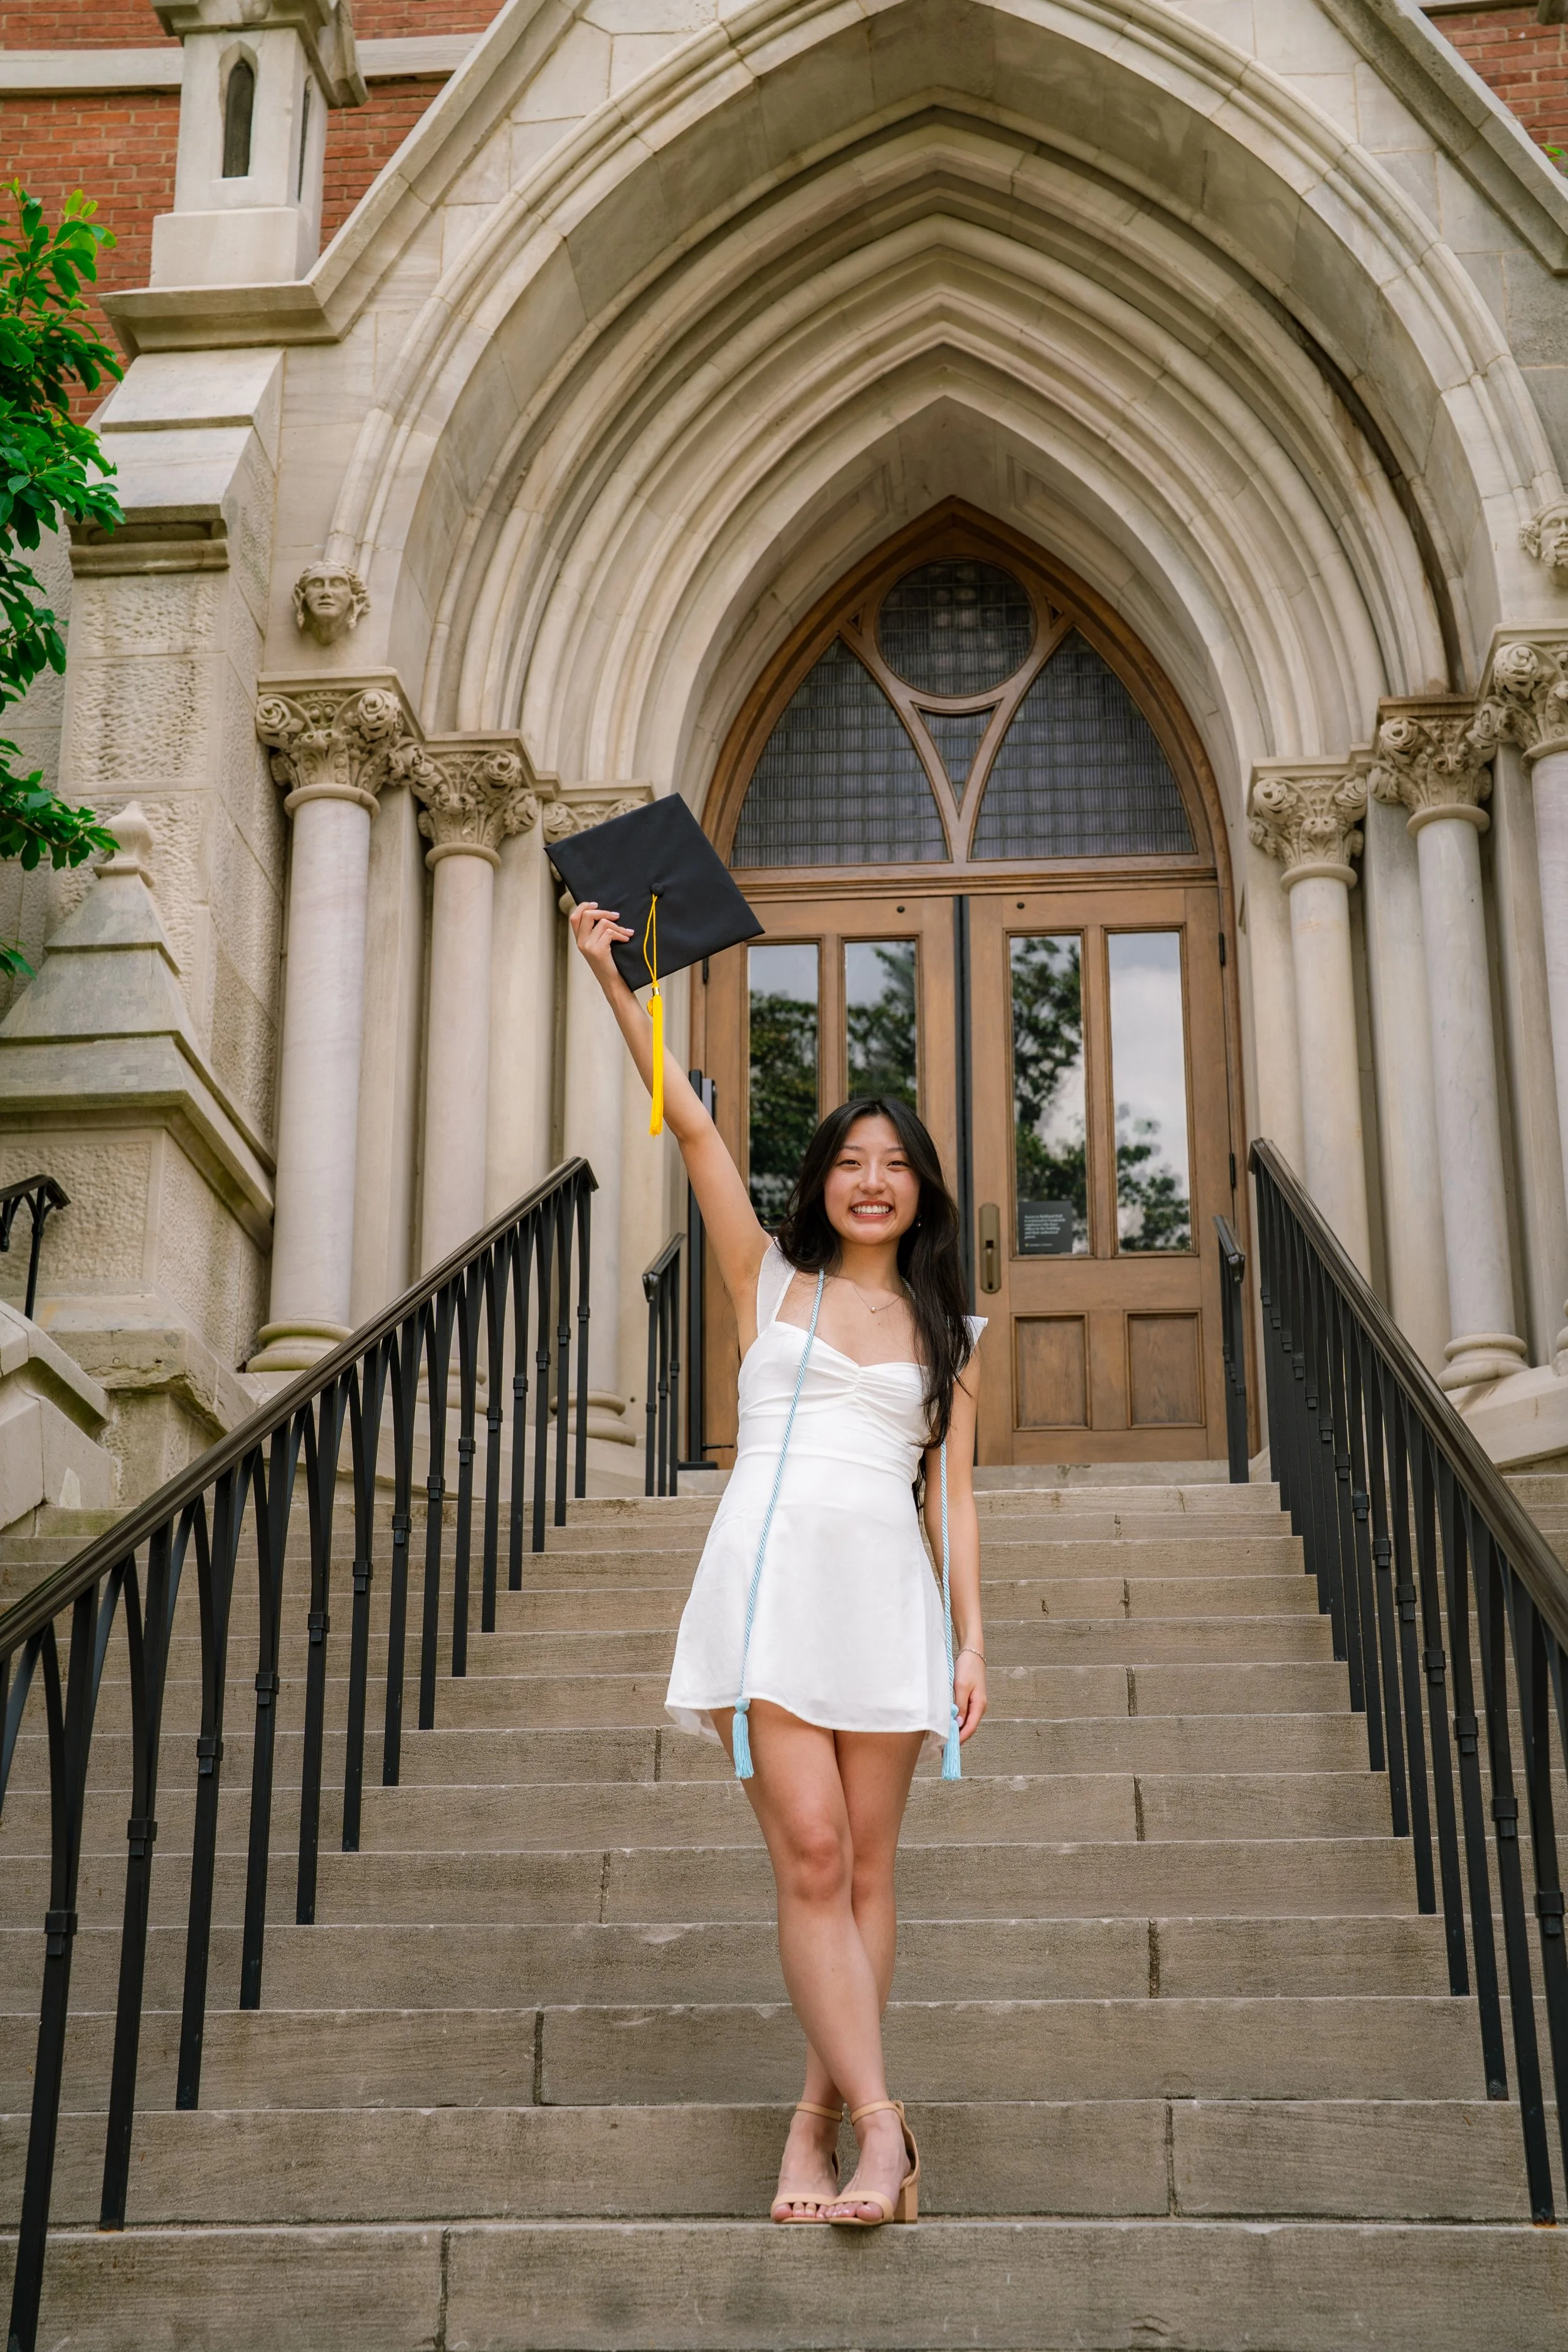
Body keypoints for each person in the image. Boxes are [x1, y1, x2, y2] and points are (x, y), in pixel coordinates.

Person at [569, 898, 987, 2228]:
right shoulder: (766, 1280)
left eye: (894, 1163)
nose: (871, 1178)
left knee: (865, 1873)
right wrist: (608, 975)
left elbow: (953, 1501)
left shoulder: (949, 1330)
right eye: (849, 1159)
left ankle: (815, 2135)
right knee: (806, 1854)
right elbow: (688, 1121)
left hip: (884, 1603)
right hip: (764, 1583)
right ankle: (886, 2132)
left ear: (919, 1189)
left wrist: (972, 1638)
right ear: (819, 1180)